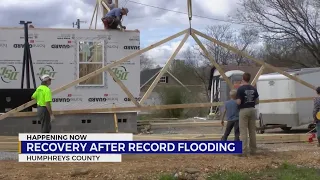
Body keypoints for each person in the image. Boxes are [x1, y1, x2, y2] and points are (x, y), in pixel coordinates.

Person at [236, 72, 259, 156]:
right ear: (249, 79)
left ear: (243, 78)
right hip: (252, 110)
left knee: (243, 131)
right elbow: (257, 101)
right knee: (252, 131)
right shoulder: (254, 88)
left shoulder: (240, 89)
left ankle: (244, 151)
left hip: (244, 110)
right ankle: (253, 150)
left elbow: (238, 102)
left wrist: (236, 102)